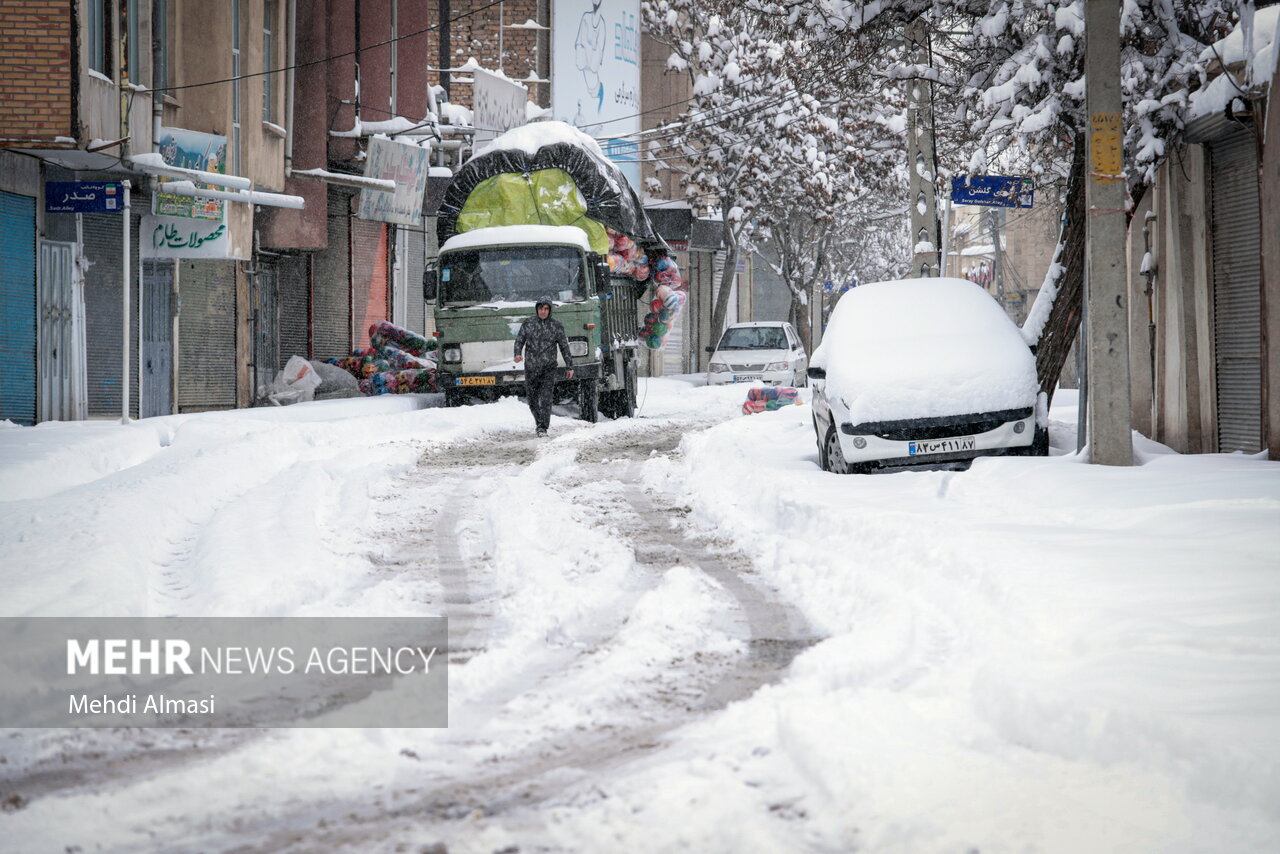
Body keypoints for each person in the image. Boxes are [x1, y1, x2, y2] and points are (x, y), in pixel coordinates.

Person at [514, 297, 574, 436]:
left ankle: (543, 427)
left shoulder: (556, 326)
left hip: (548, 368)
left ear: (550, 310)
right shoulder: (528, 324)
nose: (543, 311)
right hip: (531, 367)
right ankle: (538, 422)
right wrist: (517, 353)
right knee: (532, 399)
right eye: (541, 308)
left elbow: (564, 347)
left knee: (546, 398)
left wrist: (569, 366)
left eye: (546, 309)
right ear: (537, 309)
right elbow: (519, 340)